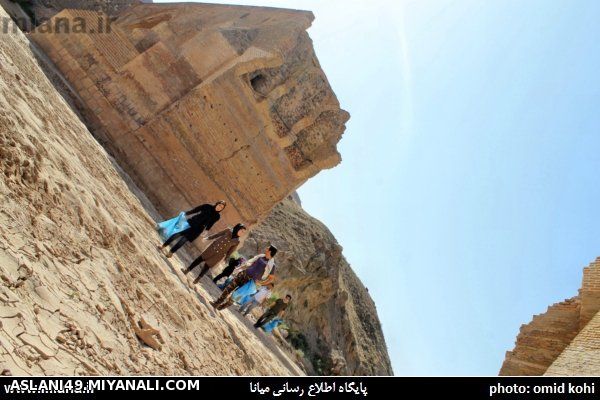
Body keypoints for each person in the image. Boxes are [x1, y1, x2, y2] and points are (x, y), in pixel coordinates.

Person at [210, 245, 278, 310]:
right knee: (228, 288)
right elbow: (249, 263)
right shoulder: (261, 256)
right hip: (243, 274)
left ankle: (222, 307)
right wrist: (240, 268)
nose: (266, 248)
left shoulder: (272, 265)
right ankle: (216, 303)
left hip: (249, 282)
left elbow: (271, 279)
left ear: (270, 251)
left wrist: (261, 283)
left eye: (267, 248)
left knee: (235, 296)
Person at [182, 223, 247, 284]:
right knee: (198, 260)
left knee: (207, 266)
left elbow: (230, 251)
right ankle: (187, 270)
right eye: (241, 230)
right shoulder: (228, 230)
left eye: (243, 232)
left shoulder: (237, 241)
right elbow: (217, 234)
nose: (242, 233)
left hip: (218, 255)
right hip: (212, 248)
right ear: (238, 228)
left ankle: (197, 279)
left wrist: (225, 259)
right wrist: (208, 238)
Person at [160, 201, 226, 258]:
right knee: (176, 234)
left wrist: (206, 230)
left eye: (221, 207)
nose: (219, 208)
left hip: (198, 230)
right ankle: (163, 246)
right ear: (217, 204)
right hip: (191, 222)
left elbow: (211, 224)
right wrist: (187, 213)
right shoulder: (207, 206)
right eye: (219, 205)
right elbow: (196, 210)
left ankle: (171, 252)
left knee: (183, 241)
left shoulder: (217, 216)